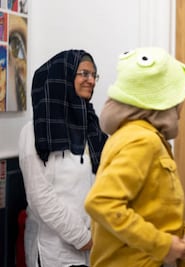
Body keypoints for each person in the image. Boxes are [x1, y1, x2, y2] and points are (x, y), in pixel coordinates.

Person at [84, 47, 185, 267]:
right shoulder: (142, 140)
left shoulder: (138, 135)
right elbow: (101, 202)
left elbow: (152, 207)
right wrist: (164, 245)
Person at [18, 50, 108, 267]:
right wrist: (81, 237)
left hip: (94, 247)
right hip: (54, 251)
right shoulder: (35, 132)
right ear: (63, 77)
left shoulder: (93, 128)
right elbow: (41, 197)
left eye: (94, 75)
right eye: (84, 73)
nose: (91, 81)